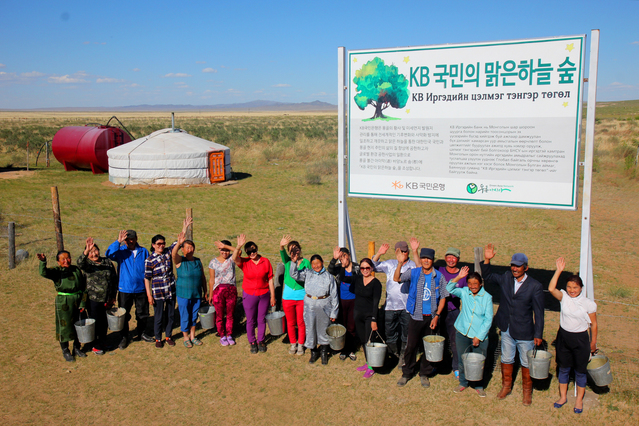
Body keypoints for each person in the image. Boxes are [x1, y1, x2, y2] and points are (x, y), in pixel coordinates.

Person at [481, 244, 544, 406]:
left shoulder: (535, 286)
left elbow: (539, 312)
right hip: (506, 328)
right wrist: (487, 259)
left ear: (526, 267)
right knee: (507, 359)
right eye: (513, 265)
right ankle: (506, 386)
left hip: (525, 331)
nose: (515, 269)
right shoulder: (506, 278)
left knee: (525, 362)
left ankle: (526, 393)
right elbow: (487, 277)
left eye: (518, 266)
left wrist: (538, 334)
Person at [394, 238, 449, 388]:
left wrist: (437, 316)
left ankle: (424, 373)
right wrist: (399, 263)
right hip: (415, 316)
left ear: (432, 260)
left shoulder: (438, 276)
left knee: (428, 347)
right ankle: (407, 373)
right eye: (423, 258)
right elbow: (397, 278)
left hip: (431, 318)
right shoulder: (415, 272)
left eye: (429, 258)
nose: (426, 261)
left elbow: (443, 297)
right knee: (411, 346)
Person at [548, 257, 597, 414]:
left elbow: (594, 325)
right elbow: (550, 289)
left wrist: (593, 343)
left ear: (581, 288)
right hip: (564, 337)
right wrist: (558, 271)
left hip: (580, 339)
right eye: (569, 287)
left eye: (575, 287)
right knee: (563, 369)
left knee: (580, 371)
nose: (572, 290)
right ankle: (563, 397)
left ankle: (579, 400)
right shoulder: (564, 298)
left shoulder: (588, 304)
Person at [447, 267, 493, 397]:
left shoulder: (487, 298)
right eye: (470, 283)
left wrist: (478, 336)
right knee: (462, 359)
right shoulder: (464, 292)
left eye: (475, 283)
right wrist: (458, 277)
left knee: (478, 362)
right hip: (462, 332)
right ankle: (463, 382)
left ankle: (478, 385)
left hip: (479, 335)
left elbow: (488, 319)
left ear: (480, 284)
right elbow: (448, 289)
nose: (473, 286)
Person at [37, 250, 87, 362]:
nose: (66, 261)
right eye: (63, 259)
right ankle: (65, 350)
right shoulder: (57, 271)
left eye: (68, 258)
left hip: (78, 300)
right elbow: (43, 273)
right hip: (64, 302)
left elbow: (84, 287)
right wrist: (43, 262)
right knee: (64, 326)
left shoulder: (76, 270)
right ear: (58, 262)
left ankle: (77, 347)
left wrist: (83, 303)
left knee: (79, 324)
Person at [106, 229, 152, 349]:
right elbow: (109, 254)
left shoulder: (144, 251)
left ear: (136, 239)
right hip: (125, 289)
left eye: (132, 239)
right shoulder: (120, 251)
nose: (130, 241)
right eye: (127, 239)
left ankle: (142, 333)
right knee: (124, 314)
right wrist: (118, 241)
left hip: (141, 288)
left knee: (142, 313)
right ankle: (124, 337)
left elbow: (149, 267)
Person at [290, 253, 339, 365]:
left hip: (324, 305)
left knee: (323, 329)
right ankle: (313, 352)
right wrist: (293, 262)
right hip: (310, 305)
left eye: (318, 263)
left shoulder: (328, 276)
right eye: (313, 264)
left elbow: (334, 295)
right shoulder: (308, 273)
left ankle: (323, 352)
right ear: (311, 265)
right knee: (310, 328)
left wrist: (334, 313)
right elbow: (294, 274)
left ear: (322, 262)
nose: (316, 266)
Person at [371, 241, 415, 361]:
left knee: (406, 333)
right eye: (401, 251)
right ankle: (392, 354)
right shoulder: (390, 264)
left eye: (405, 251)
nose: (404, 253)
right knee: (390, 332)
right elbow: (372, 266)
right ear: (396, 252)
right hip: (390, 306)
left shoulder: (413, 265)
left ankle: (403, 355)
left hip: (406, 306)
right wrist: (379, 253)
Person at [232, 234, 275, 354]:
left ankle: (261, 340)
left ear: (257, 249)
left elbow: (270, 279)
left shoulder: (265, 261)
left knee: (261, 319)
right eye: (249, 252)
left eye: (254, 250)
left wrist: (272, 296)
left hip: (264, 294)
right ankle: (252, 341)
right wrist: (238, 246)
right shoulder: (245, 262)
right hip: (249, 295)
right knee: (250, 320)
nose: (252, 253)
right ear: (246, 253)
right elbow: (234, 258)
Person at [341, 258, 382, 378]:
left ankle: (371, 367)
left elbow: (376, 303)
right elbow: (343, 279)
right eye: (362, 268)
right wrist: (343, 266)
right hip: (358, 315)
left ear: (372, 268)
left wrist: (374, 319)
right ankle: (368, 362)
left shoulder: (376, 283)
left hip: (369, 316)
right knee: (364, 340)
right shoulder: (357, 279)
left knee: (369, 341)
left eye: (367, 268)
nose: (365, 270)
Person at [77, 237, 118, 355]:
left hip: (107, 298)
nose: (94, 253)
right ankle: (95, 344)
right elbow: (80, 263)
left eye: (95, 250)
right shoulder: (88, 264)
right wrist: (86, 251)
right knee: (95, 321)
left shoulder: (107, 262)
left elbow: (114, 279)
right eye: (91, 252)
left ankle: (103, 340)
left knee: (104, 322)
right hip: (93, 299)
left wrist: (113, 296)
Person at [173, 229, 207, 348]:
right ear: (182, 249)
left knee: (194, 315)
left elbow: (202, 277)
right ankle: (186, 337)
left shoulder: (197, 261)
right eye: (187, 247)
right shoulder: (180, 260)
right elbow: (173, 254)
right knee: (185, 315)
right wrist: (178, 243)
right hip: (183, 294)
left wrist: (205, 291)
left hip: (196, 294)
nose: (190, 250)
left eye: (192, 247)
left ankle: (193, 336)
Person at [144, 233, 178, 348]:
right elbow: (147, 278)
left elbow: (178, 242)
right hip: (158, 291)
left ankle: (168, 336)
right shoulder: (149, 260)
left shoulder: (168, 252)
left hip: (170, 289)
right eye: (159, 244)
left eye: (163, 243)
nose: (161, 246)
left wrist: (185, 228)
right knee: (158, 316)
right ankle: (158, 338)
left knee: (170, 314)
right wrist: (149, 295)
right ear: (153, 245)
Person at [437, 247, 467, 379]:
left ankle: (457, 368)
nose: (451, 260)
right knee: (438, 340)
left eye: (454, 257)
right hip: (438, 312)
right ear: (445, 258)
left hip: (454, 312)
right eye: (449, 257)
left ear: (458, 259)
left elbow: (466, 295)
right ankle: (437, 366)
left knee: (455, 342)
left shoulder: (463, 275)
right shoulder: (439, 270)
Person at [279, 235, 310, 356]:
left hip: (301, 296)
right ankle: (293, 344)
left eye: (296, 249)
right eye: (291, 249)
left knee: (301, 321)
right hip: (288, 297)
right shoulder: (287, 261)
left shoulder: (306, 262)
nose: (294, 251)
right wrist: (281, 245)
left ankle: (301, 344)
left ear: (300, 249)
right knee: (290, 322)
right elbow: (282, 253)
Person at [328, 247, 360, 361]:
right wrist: (334, 259)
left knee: (351, 325)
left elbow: (352, 279)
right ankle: (342, 348)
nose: (342, 259)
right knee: (342, 324)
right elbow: (330, 270)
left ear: (349, 255)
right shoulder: (339, 267)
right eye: (340, 258)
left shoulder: (356, 267)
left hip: (353, 300)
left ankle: (350, 349)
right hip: (341, 300)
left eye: (344, 256)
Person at [210, 239, 239, 346]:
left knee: (230, 314)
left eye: (226, 250)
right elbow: (212, 279)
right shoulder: (213, 262)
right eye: (222, 250)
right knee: (219, 314)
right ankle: (222, 335)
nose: (224, 252)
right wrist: (210, 294)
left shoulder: (232, 258)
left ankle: (229, 334)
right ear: (219, 249)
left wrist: (227, 246)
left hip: (231, 289)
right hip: (218, 290)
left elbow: (238, 252)